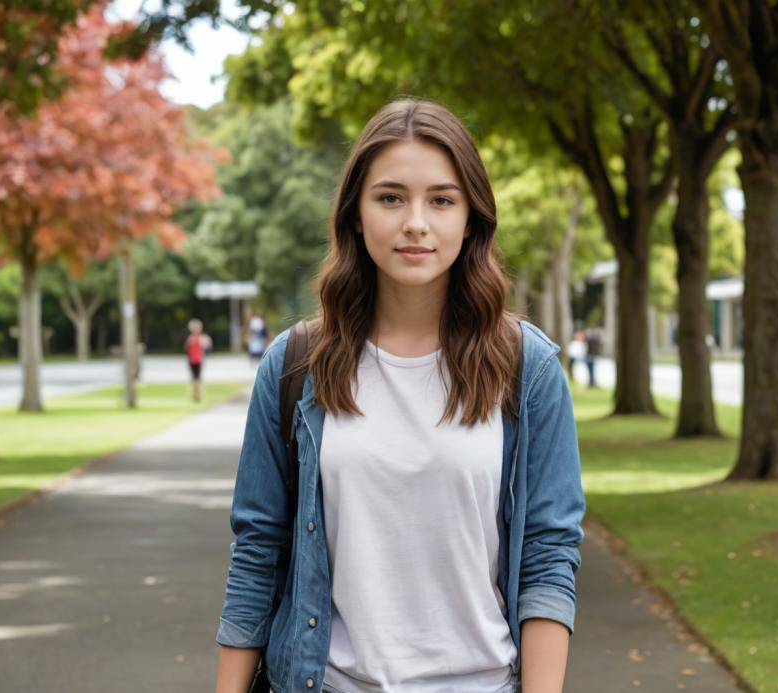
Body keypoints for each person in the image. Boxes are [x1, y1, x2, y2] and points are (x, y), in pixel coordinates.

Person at [215, 99, 585, 693]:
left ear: (471, 219)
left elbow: (548, 555)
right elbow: (259, 552)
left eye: (441, 199)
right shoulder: (295, 366)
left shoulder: (526, 368)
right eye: (390, 198)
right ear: (356, 215)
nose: (416, 222)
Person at [185, 318, 212, 402]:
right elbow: (187, 349)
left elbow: (208, 346)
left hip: (198, 360)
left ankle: (198, 394)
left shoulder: (202, 337)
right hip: (192, 360)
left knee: (198, 378)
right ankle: (195, 394)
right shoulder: (191, 338)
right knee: (194, 379)